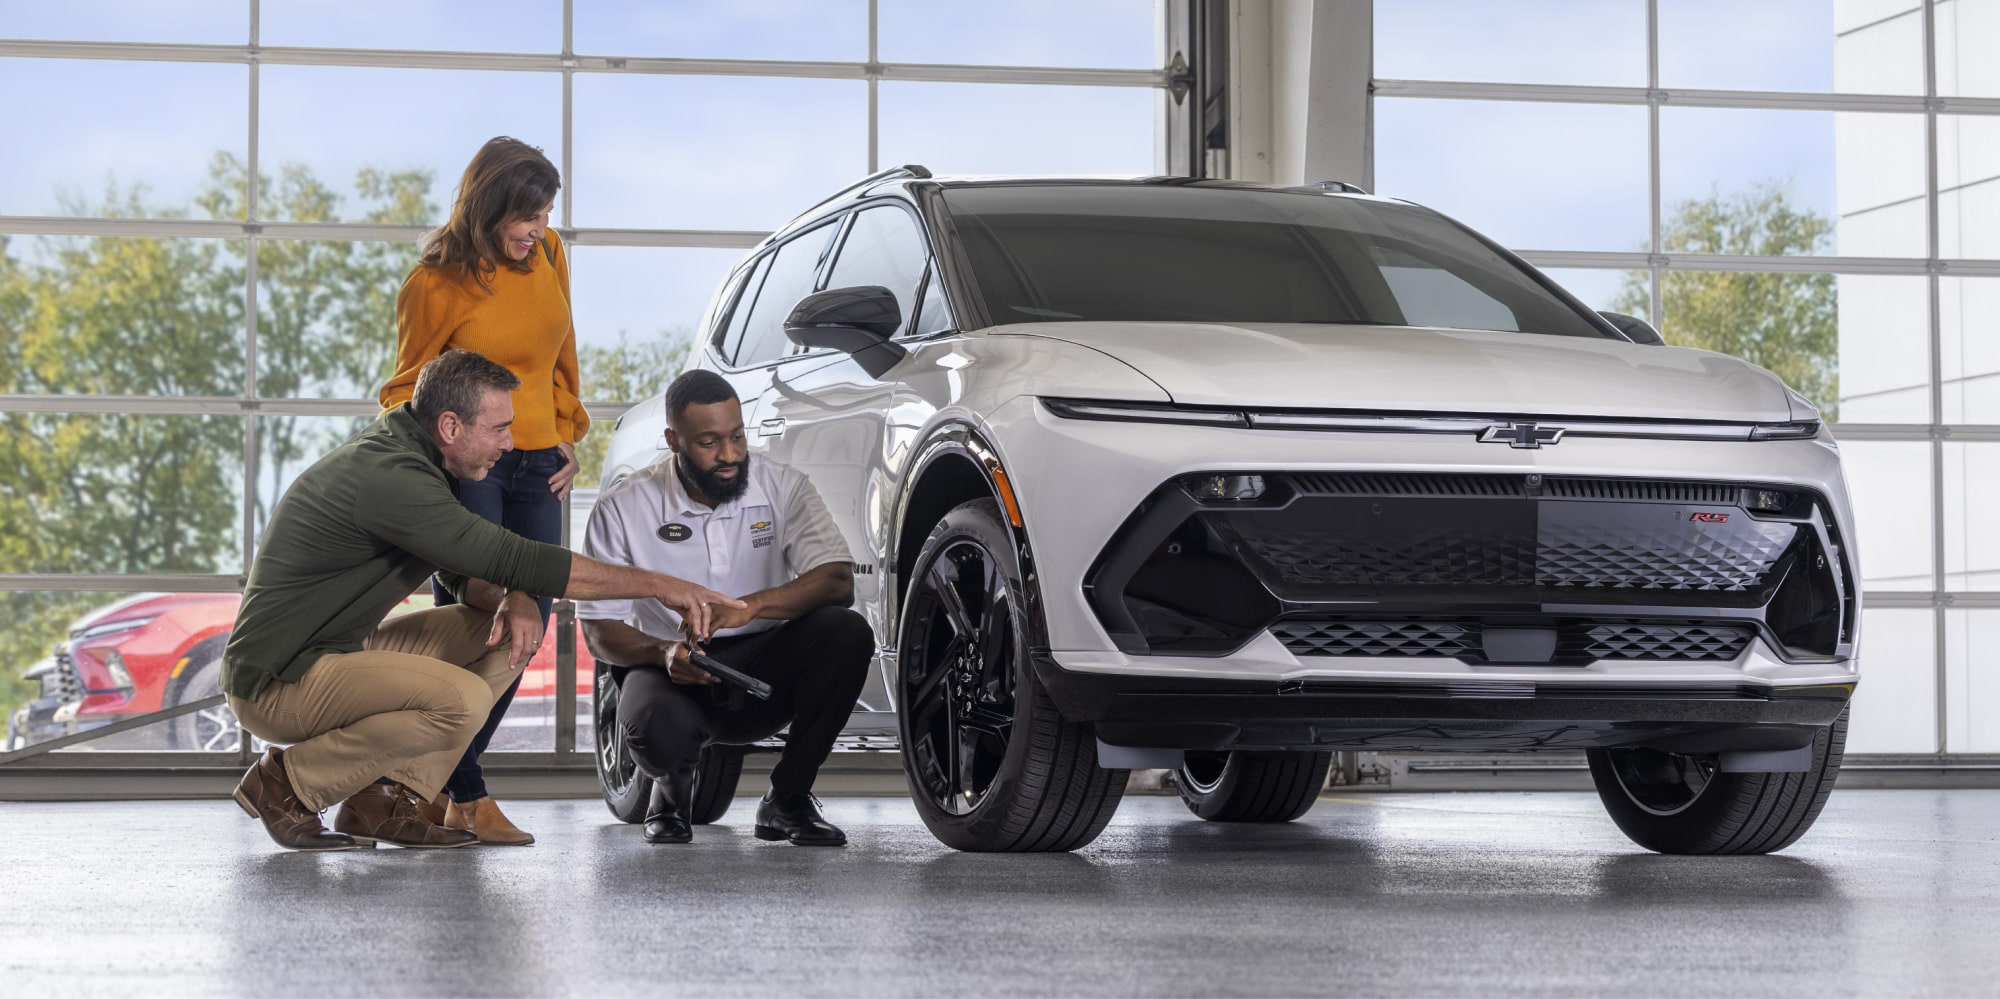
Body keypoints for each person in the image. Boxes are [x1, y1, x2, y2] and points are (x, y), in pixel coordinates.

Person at [224, 349, 743, 852]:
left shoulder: (419, 460)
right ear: (450, 427)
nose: (511, 444)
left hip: (338, 652)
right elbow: (515, 555)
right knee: (461, 701)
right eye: (499, 429)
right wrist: (663, 584)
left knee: (504, 637)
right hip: (277, 681)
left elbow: (458, 570)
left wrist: (509, 598)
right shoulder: (394, 477)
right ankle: (287, 784)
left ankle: (381, 799)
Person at [377, 136, 584, 845]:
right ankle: (465, 792)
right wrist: (442, 467)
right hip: (474, 469)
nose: (538, 228)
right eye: (526, 215)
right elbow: (404, 390)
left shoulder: (550, 254)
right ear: (489, 206)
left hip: (538, 468)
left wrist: (566, 429)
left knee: (529, 626)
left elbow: (563, 350)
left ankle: (439, 788)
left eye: (546, 211)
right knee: (477, 623)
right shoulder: (434, 282)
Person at [579, 370, 872, 847]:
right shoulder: (623, 506)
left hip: (764, 665)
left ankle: (788, 799)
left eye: (737, 437)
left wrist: (751, 608)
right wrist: (663, 653)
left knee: (847, 632)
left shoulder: (783, 486)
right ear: (674, 440)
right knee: (656, 727)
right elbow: (598, 633)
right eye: (709, 442)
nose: (730, 456)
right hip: (672, 666)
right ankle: (670, 796)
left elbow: (837, 581)